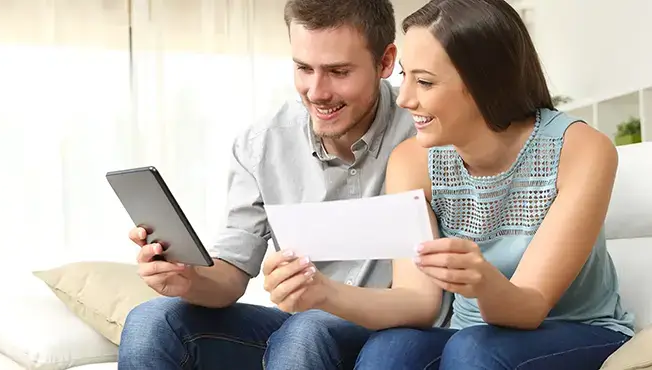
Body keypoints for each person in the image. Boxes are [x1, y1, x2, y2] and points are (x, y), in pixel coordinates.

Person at [118, 0, 453, 369]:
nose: (316, 91)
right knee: (151, 321)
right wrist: (187, 277)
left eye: (338, 71)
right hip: (307, 333)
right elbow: (229, 275)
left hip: (399, 333)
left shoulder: (426, 130)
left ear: (386, 62)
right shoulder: (261, 145)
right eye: (303, 68)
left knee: (306, 329)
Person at [356, 0, 635, 369]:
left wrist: (483, 282)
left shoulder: (580, 149)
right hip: (471, 336)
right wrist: (321, 292)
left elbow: (531, 306)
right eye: (404, 76)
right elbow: (417, 299)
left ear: (484, 80)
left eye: (423, 81)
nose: (405, 99)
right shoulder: (412, 161)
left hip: (578, 330)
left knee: (474, 350)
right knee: (389, 353)